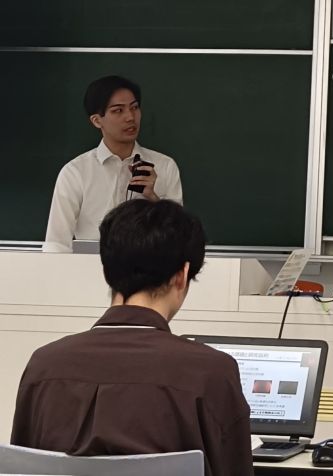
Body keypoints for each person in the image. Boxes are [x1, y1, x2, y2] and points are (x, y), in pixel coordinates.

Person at [12, 200, 254, 476]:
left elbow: (21, 468)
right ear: (182, 275)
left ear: (107, 270)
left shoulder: (43, 365)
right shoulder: (210, 372)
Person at [43, 75, 183, 253]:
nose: (130, 117)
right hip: (90, 266)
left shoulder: (165, 166)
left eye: (134, 107)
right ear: (97, 120)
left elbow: (181, 237)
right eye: (118, 111)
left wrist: (153, 199)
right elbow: (57, 244)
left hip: (148, 267)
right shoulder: (76, 172)